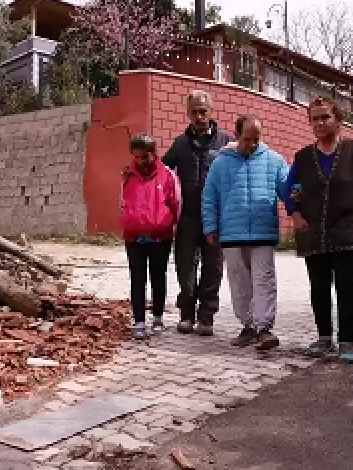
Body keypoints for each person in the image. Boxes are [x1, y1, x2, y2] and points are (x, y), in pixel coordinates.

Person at [283, 96, 353, 364]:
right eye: (314, 118)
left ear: (338, 121)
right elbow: (287, 188)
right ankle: (324, 337)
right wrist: (294, 212)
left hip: (349, 229)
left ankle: (347, 340)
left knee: (347, 286)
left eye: (325, 117)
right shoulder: (303, 157)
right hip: (315, 231)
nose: (319, 123)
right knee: (318, 287)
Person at [202, 116, 289, 350]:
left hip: (263, 232)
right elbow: (209, 197)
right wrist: (210, 226)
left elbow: (287, 190)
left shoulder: (275, 161)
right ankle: (248, 326)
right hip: (231, 234)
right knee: (239, 283)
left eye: (256, 139)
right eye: (247, 139)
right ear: (237, 135)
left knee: (264, 280)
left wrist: (296, 198)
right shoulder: (220, 163)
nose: (252, 144)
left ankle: (264, 329)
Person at [162, 90, 233, 336]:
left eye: (203, 111)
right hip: (188, 218)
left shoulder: (226, 142)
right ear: (188, 113)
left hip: (216, 219)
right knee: (185, 267)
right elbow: (162, 169)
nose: (200, 116)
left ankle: (206, 317)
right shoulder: (181, 144)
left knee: (213, 268)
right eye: (195, 112)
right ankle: (186, 315)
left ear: (211, 111)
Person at [121, 133, 181, 340]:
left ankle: (157, 318)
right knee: (137, 280)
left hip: (160, 238)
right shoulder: (127, 175)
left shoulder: (167, 176)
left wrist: (169, 226)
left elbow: (176, 205)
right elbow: (122, 203)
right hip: (134, 238)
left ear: (153, 154)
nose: (140, 161)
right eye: (136, 157)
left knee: (158, 278)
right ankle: (138, 321)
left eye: (144, 157)